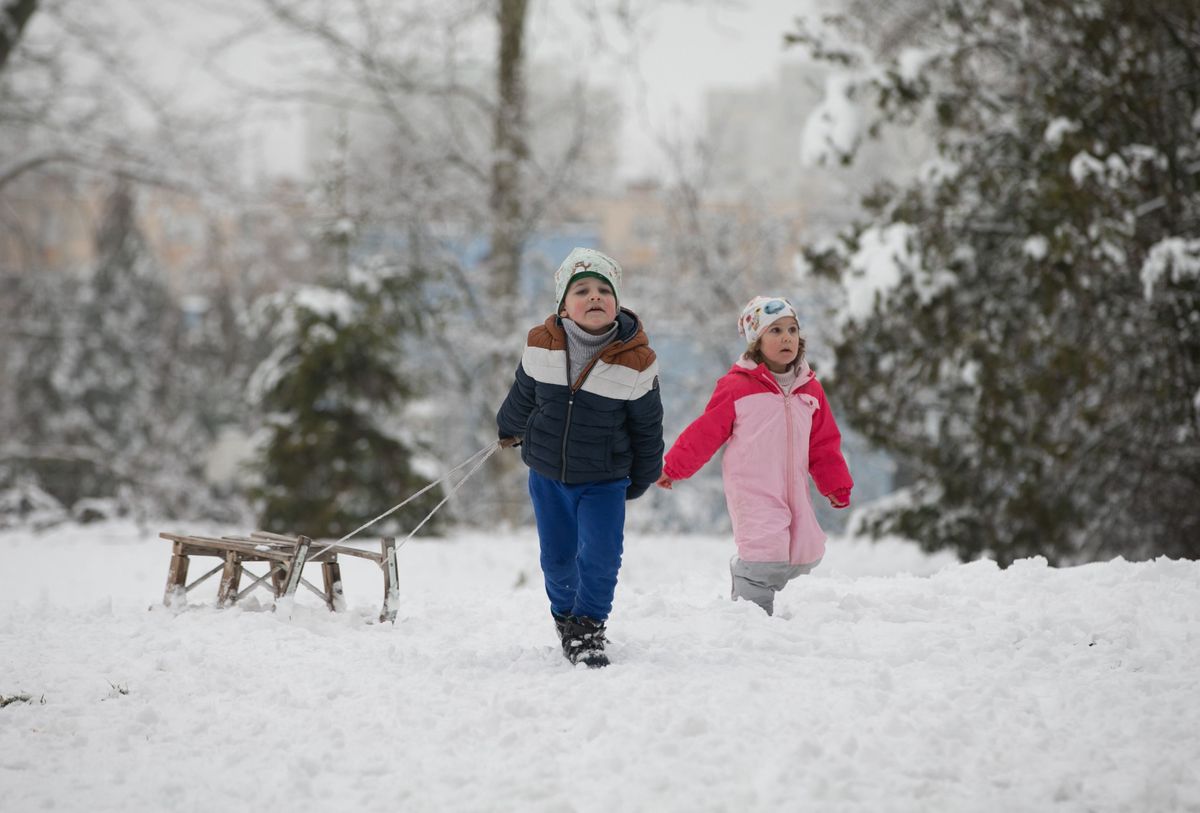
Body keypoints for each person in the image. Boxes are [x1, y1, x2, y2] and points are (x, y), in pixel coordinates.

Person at [497, 247, 663, 667]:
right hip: (547, 474)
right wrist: (509, 427)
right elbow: (524, 393)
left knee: (602, 555)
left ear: (618, 302)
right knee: (556, 556)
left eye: (604, 290)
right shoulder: (541, 344)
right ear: (563, 306)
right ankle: (565, 615)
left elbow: (647, 426)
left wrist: (643, 475)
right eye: (582, 289)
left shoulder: (637, 361)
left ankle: (589, 626)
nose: (594, 297)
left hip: (605, 478)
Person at [655, 295, 852, 616]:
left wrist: (835, 485)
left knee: (805, 552)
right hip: (753, 488)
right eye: (774, 331)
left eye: (792, 329)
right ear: (756, 341)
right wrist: (674, 467)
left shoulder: (810, 389)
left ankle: (759, 590)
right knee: (764, 553)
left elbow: (824, 442)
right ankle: (752, 616)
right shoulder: (737, 387)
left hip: (793, 488)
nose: (786, 337)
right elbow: (705, 432)